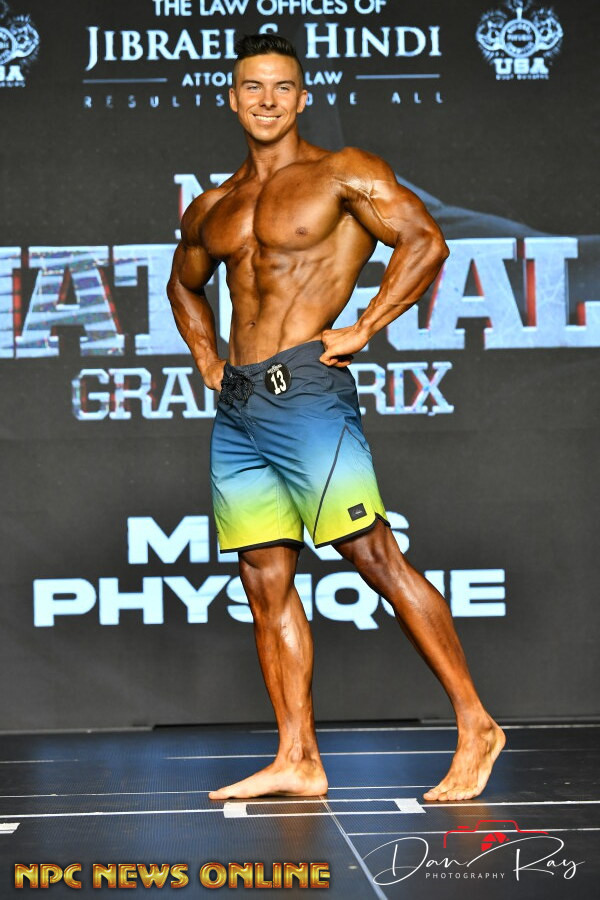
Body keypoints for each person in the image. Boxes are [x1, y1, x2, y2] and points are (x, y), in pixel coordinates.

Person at [167, 33, 505, 803]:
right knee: (264, 579)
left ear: (302, 98)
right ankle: (298, 757)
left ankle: (476, 722)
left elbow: (425, 241)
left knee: (373, 555)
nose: (266, 100)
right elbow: (184, 283)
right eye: (253, 87)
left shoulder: (342, 172)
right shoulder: (214, 204)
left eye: (281, 87)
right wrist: (209, 359)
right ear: (232, 97)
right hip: (240, 405)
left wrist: (365, 325)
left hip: (308, 393)